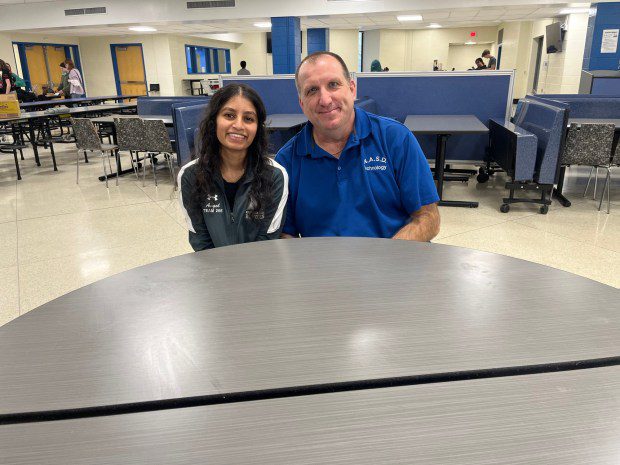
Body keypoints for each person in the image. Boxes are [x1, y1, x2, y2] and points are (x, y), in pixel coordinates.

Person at [275, 51, 440, 241]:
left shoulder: (395, 139)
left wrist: (385, 261)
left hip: (392, 261)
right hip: (322, 267)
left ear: (352, 89)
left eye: (333, 85)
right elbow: (285, 234)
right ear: (302, 103)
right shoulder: (287, 161)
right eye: (312, 90)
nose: (325, 100)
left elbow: (428, 218)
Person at [178, 83, 288, 251]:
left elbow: (268, 240)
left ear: (258, 127)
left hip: (259, 269)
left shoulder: (275, 176)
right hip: (214, 271)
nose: (238, 125)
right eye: (229, 115)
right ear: (214, 120)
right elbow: (200, 240)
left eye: (248, 118)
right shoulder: (190, 176)